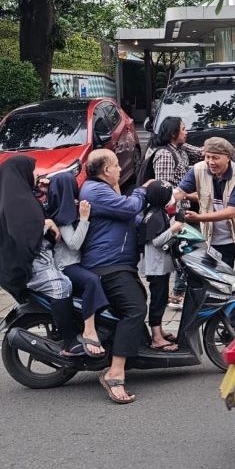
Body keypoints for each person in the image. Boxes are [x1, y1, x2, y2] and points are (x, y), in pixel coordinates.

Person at [79, 149, 154, 404]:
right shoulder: (95, 191)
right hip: (107, 265)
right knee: (134, 309)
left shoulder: (106, 190)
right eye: (116, 166)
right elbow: (130, 207)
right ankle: (115, 373)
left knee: (139, 300)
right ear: (106, 170)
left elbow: (131, 218)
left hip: (118, 264)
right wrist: (143, 190)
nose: (121, 169)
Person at [0, 155, 79, 356]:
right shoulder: (19, 201)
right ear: (21, 173)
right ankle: (69, 341)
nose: (36, 175)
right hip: (29, 267)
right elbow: (24, 231)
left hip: (20, 265)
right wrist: (46, 224)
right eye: (32, 171)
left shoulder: (16, 196)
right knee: (62, 286)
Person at [174, 137, 235, 298]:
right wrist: (164, 198)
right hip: (217, 239)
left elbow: (231, 211)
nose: (210, 162)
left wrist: (199, 218)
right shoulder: (197, 170)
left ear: (228, 157)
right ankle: (232, 320)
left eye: (215, 157)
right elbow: (180, 192)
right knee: (224, 284)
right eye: (207, 157)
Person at [45, 172, 107, 358]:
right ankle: (89, 330)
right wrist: (84, 219)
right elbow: (73, 244)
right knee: (92, 281)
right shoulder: (63, 215)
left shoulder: (60, 209)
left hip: (74, 263)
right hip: (67, 266)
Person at [151, 117, 203, 311]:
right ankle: (178, 293)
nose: (186, 132)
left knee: (192, 248)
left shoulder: (180, 149)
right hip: (174, 213)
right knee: (188, 249)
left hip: (185, 208)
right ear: (173, 133)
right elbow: (164, 190)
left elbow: (199, 152)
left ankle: (181, 291)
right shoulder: (165, 155)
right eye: (183, 129)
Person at [139, 181, 186, 351]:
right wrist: (174, 229)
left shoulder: (157, 212)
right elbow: (157, 241)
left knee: (161, 298)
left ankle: (159, 330)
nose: (172, 198)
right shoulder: (155, 215)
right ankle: (156, 338)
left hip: (159, 266)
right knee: (158, 301)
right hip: (156, 267)